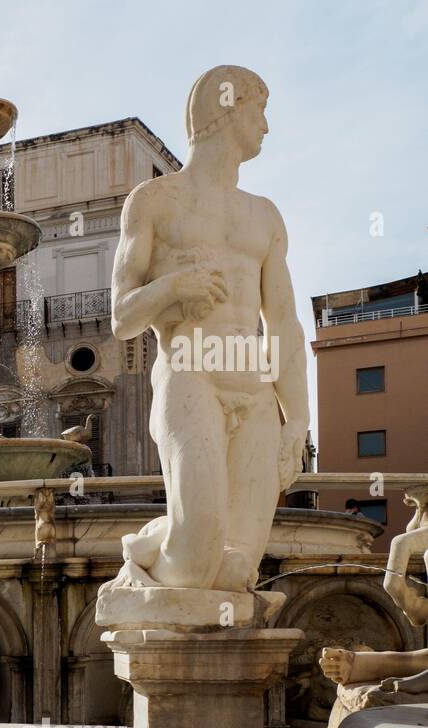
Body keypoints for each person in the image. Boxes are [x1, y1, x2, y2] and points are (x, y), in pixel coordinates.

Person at [107, 66, 308, 595]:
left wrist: (298, 420)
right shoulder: (153, 202)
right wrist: (174, 287)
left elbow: (284, 323)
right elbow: (122, 317)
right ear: (226, 108)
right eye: (258, 110)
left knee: (237, 570)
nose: (266, 125)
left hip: (256, 390)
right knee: (197, 559)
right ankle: (147, 547)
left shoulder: (265, 217)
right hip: (190, 374)